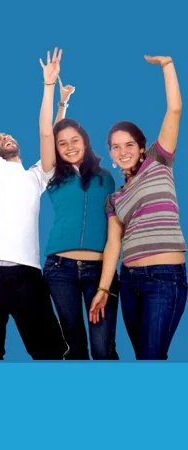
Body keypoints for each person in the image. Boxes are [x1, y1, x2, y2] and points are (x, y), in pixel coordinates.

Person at [0, 46, 68, 360]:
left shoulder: (37, 177)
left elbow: (51, 137)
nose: (2, 137)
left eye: (6, 136)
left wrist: (58, 98)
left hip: (27, 275)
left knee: (48, 351)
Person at [91, 55, 186, 360]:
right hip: (130, 282)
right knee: (142, 360)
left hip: (165, 276)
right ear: (111, 153)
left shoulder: (159, 161)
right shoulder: (114, 199)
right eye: (116, 147)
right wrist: (104, 290)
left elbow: (174, 109)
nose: (123, 151)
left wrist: (167, 66)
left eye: (129, 144)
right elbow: (113, 246)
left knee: (151, 359)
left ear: (142, 146)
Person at [38, 50, 120, 360]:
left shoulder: (106, 178)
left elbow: (115, 230)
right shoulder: (52, 174)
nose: (69, 146)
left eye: (75, 140)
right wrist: (51, 90)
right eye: (63, 143)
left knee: (103, 348)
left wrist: (64, 105)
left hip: (101, 269)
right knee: (74, 345)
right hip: (60, 269)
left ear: (85, 141)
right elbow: (48, 131)